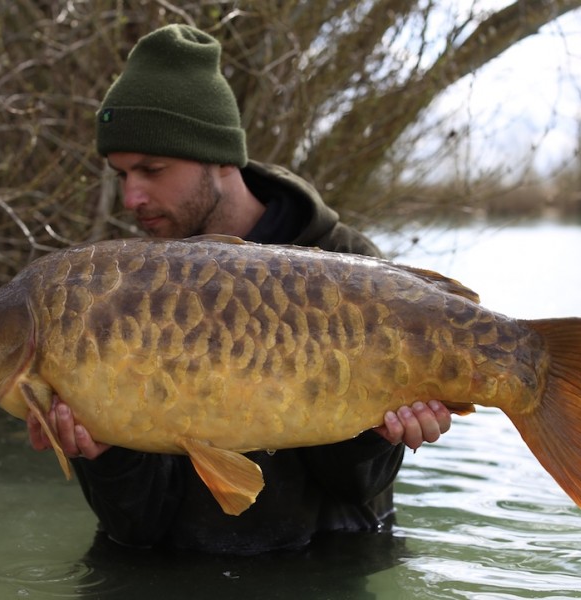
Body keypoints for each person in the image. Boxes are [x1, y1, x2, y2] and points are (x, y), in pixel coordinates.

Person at [27, 24, 451, 554]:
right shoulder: (116, 290)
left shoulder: (350, 269)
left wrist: (381, 434)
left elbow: (358, 492)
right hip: (175, 571)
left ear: (220, 159)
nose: (131, 197)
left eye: (151, 170)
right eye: (120, 175)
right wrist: (109, 453)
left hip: (325, 567)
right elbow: (137, 530)